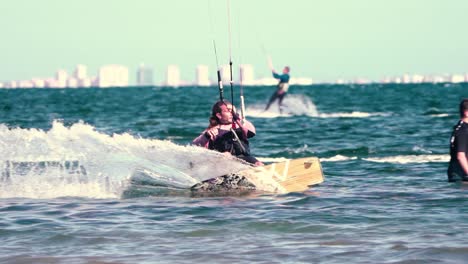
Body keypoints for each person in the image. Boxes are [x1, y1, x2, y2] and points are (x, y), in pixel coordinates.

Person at [193, 100, 263, 166]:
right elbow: (195, 144)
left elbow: (252, 131)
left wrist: (238, 119)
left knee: (258, 164)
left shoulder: (240, 125)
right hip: (223, 162)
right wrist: (206, 136)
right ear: (219, 115)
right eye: (229, 111)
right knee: (226, 155)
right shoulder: (213, 130)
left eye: (234, 111)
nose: (232, 113)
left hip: (243, 159)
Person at [447, 99, 468, 182]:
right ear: (466, 113)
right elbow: (460, 156)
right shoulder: (463, 130)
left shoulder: (461, 127)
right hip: (460, 174)